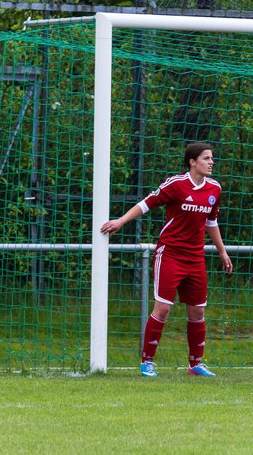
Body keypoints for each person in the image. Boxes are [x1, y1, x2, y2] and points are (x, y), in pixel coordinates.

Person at [100, 142, 233, 378]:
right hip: (170, 254)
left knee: (197, 313)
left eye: (212, 158)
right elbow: (146, 204)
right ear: (192, 162)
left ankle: (196, 363)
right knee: (162, 309)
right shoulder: (176, 184)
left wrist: (222, 252)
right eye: (206, 158)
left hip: (196, 257)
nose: (211, 162)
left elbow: (211, 223)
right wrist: (120, 221)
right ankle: (147, 362)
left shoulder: (214, 189)